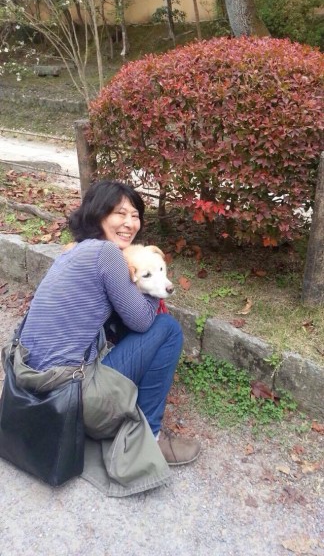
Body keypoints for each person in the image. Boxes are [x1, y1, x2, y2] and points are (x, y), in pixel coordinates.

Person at [13, 179, 200, 496]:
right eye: (119, 213)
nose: (130, 223)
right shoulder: (108, 255)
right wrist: (151, 288)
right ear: (98, 214)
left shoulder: (74, 251)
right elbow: (142, 321)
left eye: (135, 214)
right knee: (166, 329)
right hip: (68, 397)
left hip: (29, 385)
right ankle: (149, 439)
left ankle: (123, 411)